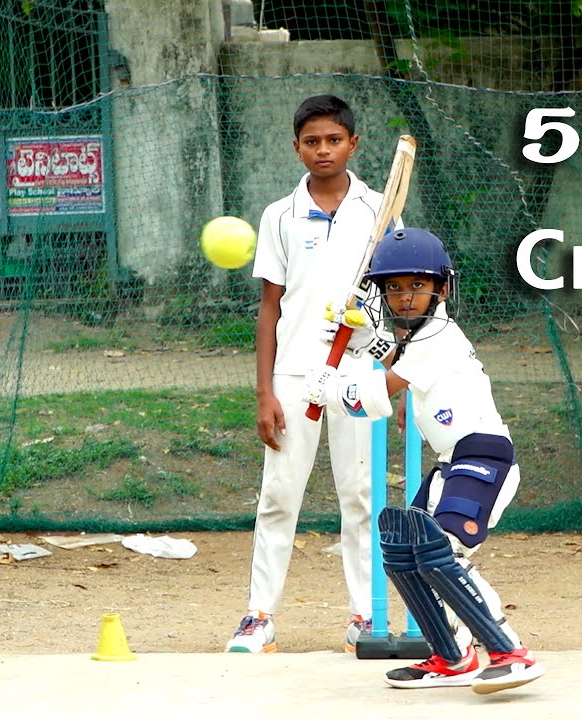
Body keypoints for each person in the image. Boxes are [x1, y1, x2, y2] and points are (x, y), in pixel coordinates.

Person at [307, 227, 545, 694]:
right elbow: (393, 355)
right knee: (402, 548)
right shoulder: (420, 341)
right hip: (450, 459)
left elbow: (377, 393)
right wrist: (358, 336)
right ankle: (453, 657)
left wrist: (330, 389)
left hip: (483, 454)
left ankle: (510, 652)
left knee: (443, 551)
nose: (405, 297)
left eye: (417, 285)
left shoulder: (439, 336)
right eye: (393, 288)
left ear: (442, 288)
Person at [226, 94, 394, 654]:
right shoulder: (279, 215)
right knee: (278, 496)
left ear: (353, 144)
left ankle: (366, 617)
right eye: (312, 141)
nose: (323, 150)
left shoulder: (381, 210)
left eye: (334, 140)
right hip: (295, 376)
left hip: (358, 373)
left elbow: (401, 291)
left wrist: (381, 342)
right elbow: (270, 307)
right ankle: (258, 616)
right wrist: (264, 391)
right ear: (297, 147)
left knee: (362, 495)